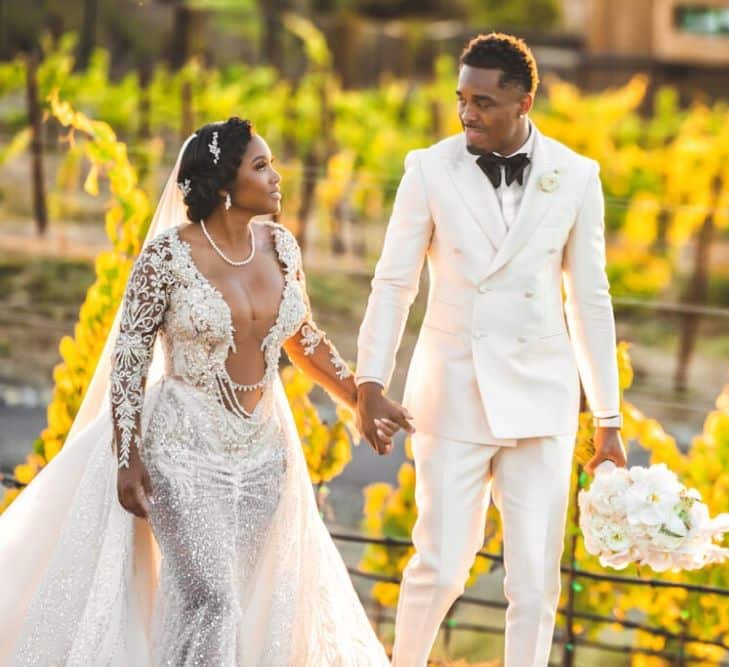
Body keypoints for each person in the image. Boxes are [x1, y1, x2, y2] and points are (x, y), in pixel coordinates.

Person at [0, 117, 406, 665]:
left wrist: (359, 395)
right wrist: (127, 456)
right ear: (222, 184)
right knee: (212, 597)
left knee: (226, 599)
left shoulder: (282, 246)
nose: (277, 176)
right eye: (260, 166)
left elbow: (303, 338)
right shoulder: (166, 258)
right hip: (182, 452)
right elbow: (130, 360)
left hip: (263, 458)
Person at [355, 33, 627, 667]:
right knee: (443, 565)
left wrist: (608, 420)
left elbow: (591, 301)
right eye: (461, 100)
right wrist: (371, 380)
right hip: (453, 393)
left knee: (535, 582)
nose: (467, 114)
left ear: (524, 101)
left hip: (543, 401)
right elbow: (394, 284)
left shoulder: (577, 176)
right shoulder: (428, 168)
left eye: (483, 102)